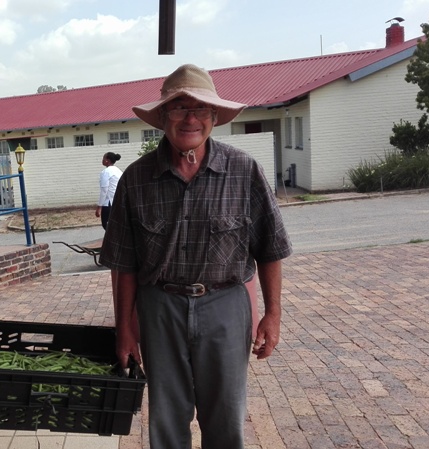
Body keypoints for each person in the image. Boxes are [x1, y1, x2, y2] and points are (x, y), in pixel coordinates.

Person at [99, 64, 292, 448]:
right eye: (179, 108)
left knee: (226, 419)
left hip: (226, 306)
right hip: (159, 308)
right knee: (167, 420)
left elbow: (270, 248)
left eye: (201, 108)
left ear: (214, 117)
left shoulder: (244, 171)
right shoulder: (135, 179)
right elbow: (123, 265)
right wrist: (124, 329)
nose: (190, 118)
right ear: (162, 118)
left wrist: (273, 314)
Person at [95, 152, 122, 230]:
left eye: (103, 158)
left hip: (109, 203)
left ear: (108, 160)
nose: (102, 160)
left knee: (106, 225)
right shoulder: (119, 171)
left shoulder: (106, 172)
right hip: (118, 201)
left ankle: (114, 237)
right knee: (116, 225)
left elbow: (104, 190)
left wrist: (99, 207)